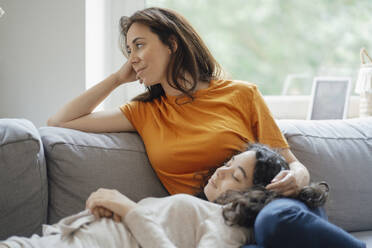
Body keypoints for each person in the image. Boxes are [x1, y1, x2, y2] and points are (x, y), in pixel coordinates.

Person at [42, 6, 341, 246]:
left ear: (172, 43)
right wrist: (118, 78)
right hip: (221, 222)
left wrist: (299, 176)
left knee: (273, 222)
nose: (132, 58)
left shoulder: (241, 94)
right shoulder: (145, 112)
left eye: (139, 45)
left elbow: (290, 163)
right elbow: (60, 120)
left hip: (274, 204)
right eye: (128, 51)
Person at [0, 144, 365, 247]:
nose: (220, 170)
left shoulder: (230, 225)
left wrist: (128, 210)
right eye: (228, 162)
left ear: (253, 195)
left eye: (235, 174)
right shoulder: (202, 206)